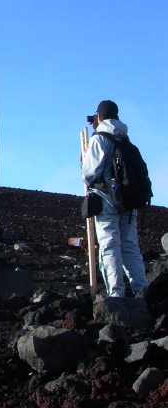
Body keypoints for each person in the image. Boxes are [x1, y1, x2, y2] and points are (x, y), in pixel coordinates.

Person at [82, 100, 149, 297]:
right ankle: (142, 290)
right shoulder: (126, 140)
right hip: (129, 202)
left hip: (106, 199)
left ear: (99, 117)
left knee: (110, 245)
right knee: (130, 246)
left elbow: (89, 173)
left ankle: (116, 295)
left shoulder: (100, 138)